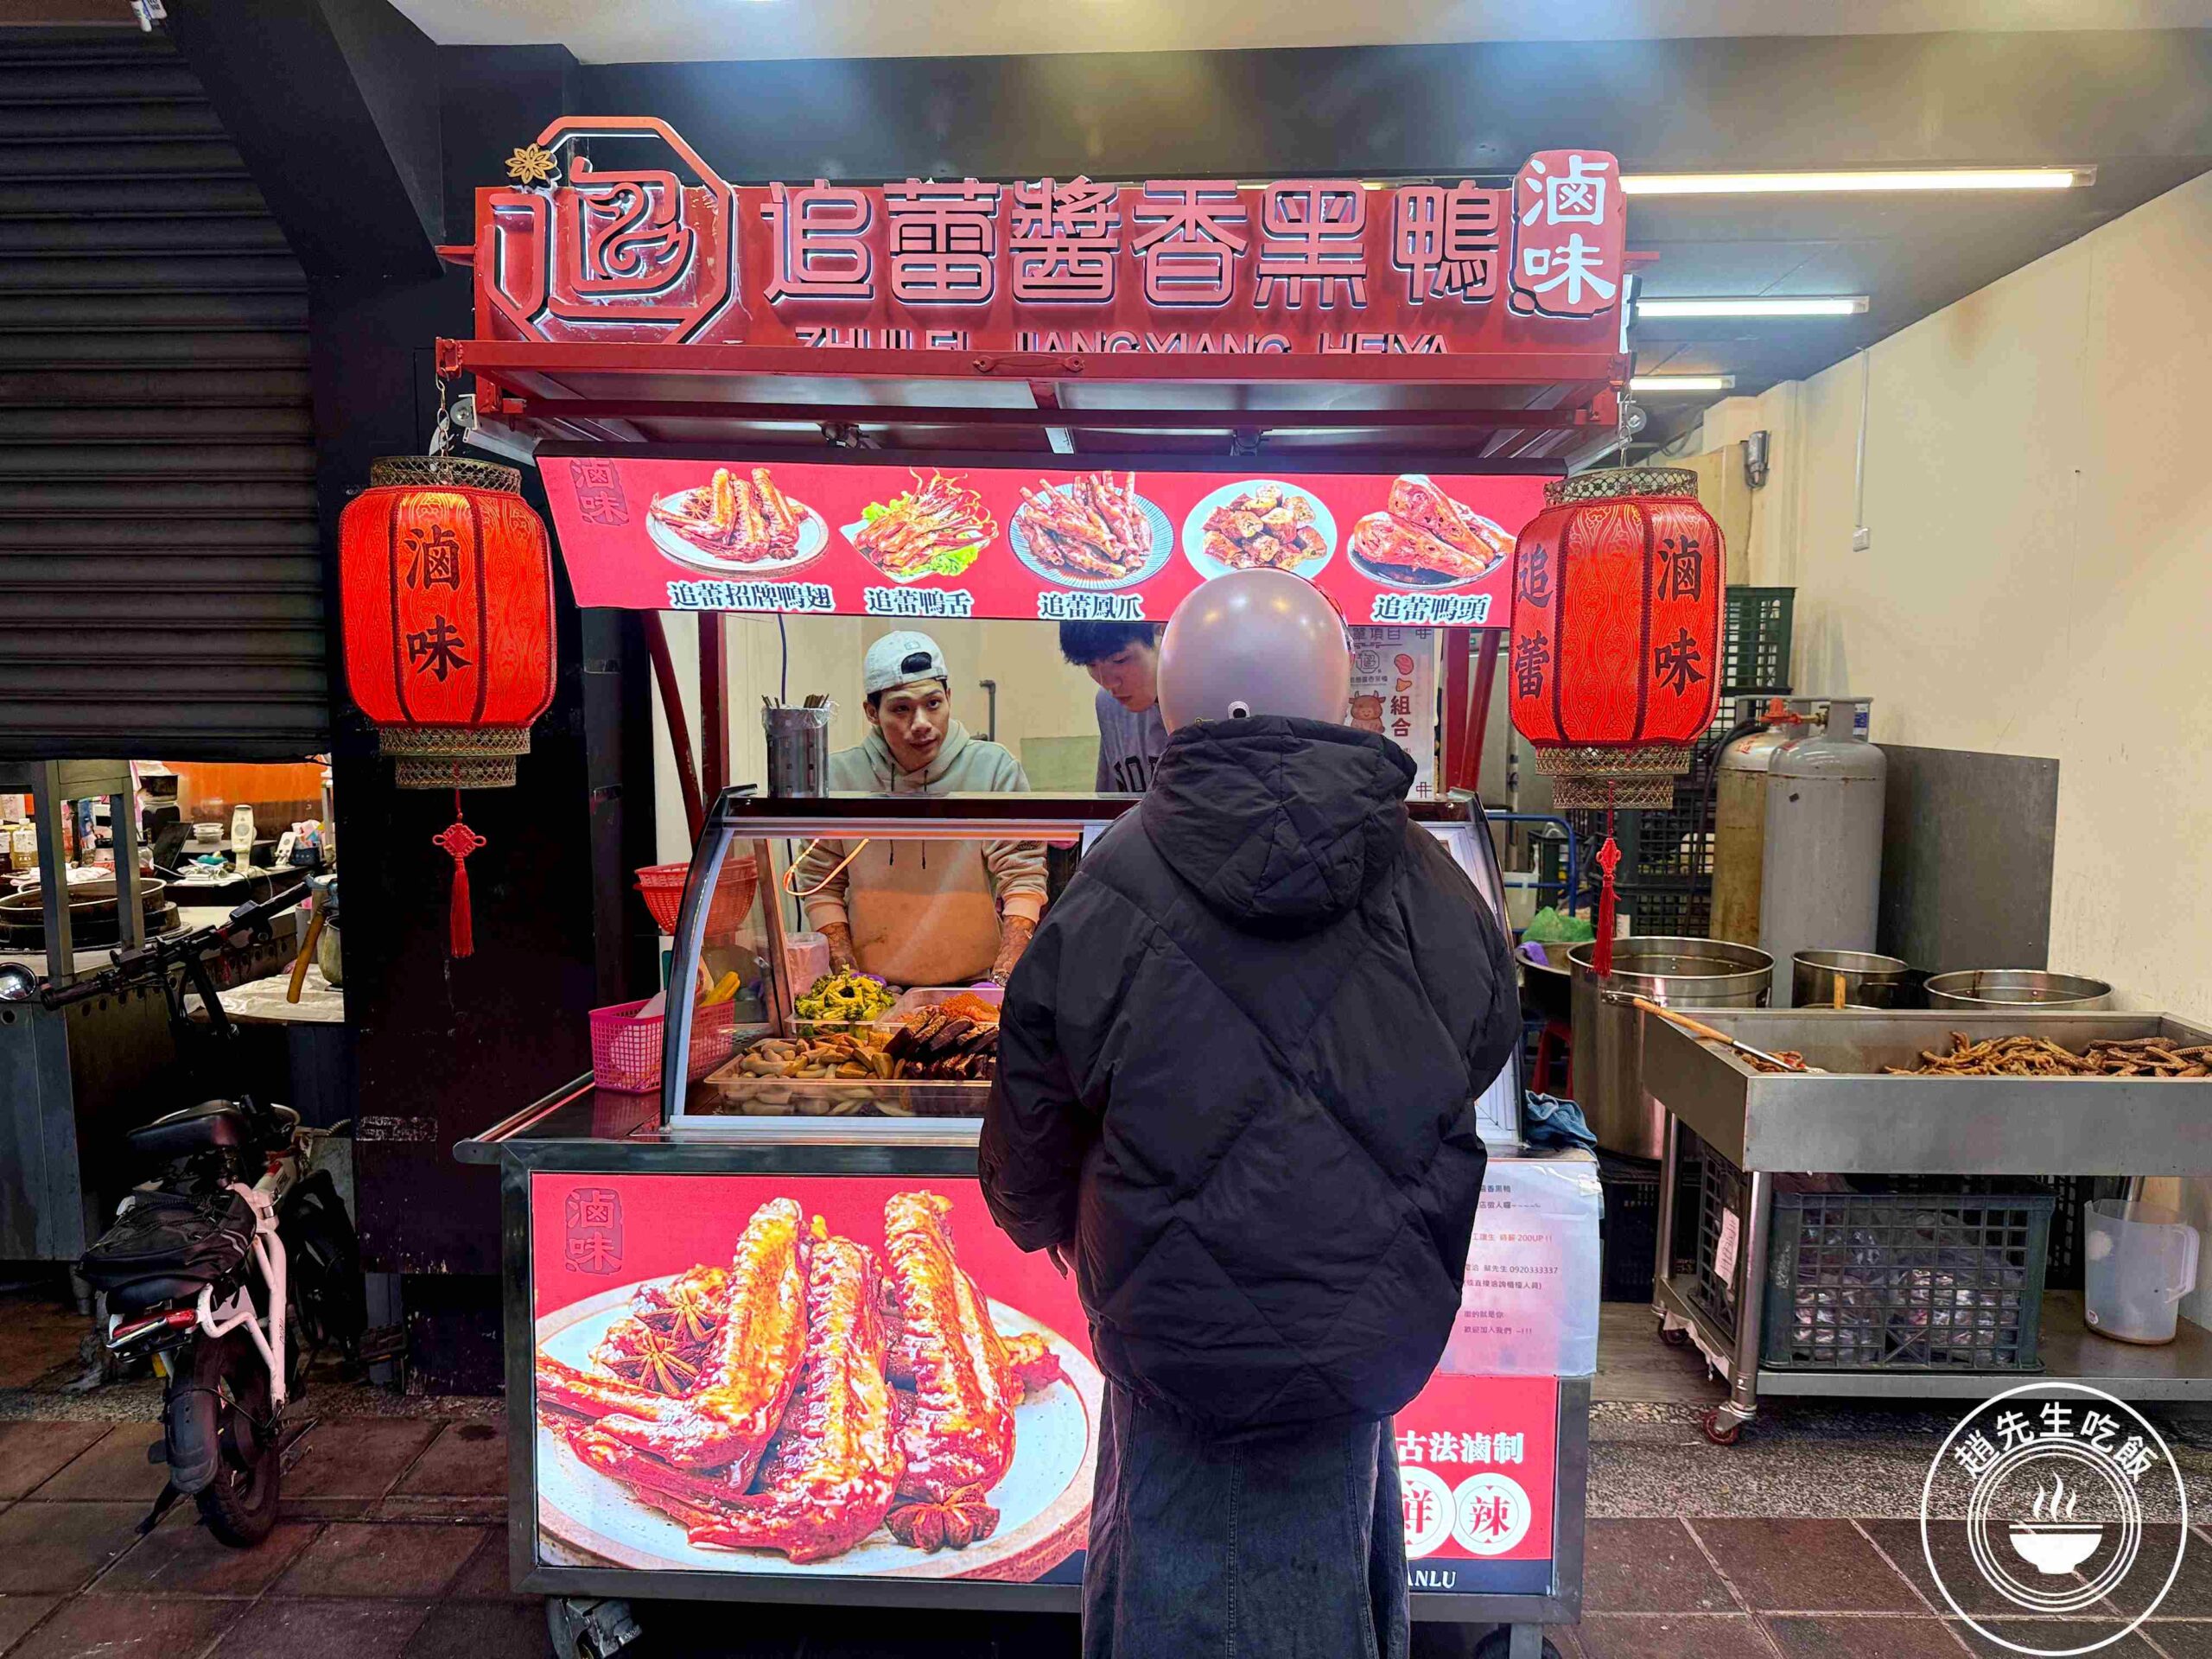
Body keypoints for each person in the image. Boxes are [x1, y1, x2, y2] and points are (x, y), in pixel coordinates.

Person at [981, 571, 1519, 1659]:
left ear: (1174, 702)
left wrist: (1040, 1221)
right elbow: (1486, 1041)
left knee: (1171, 1546)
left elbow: (1031, 1106)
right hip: (1365, 1316)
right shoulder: (1431, 883)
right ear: (1332, 694)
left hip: (1171, 1322)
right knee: (1333, 1541)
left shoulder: (1113, 880)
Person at [793, 631, 1044, 987]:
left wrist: (1004, 978)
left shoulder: (993, 768)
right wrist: (848, 976)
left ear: (950, 698)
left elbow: (1023, 875)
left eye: (933, 703)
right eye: (901, 709)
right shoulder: (841, 776)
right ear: (872, 713)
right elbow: (820, 881)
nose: (922, 723)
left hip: (976, 982)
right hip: (876, 988)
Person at [1058, 620, 1169, 793]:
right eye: (1090, 664)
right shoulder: (1109, 704)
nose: (1107, 684)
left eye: (1120, 660)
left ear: (1161, 631)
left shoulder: (1209, 698)